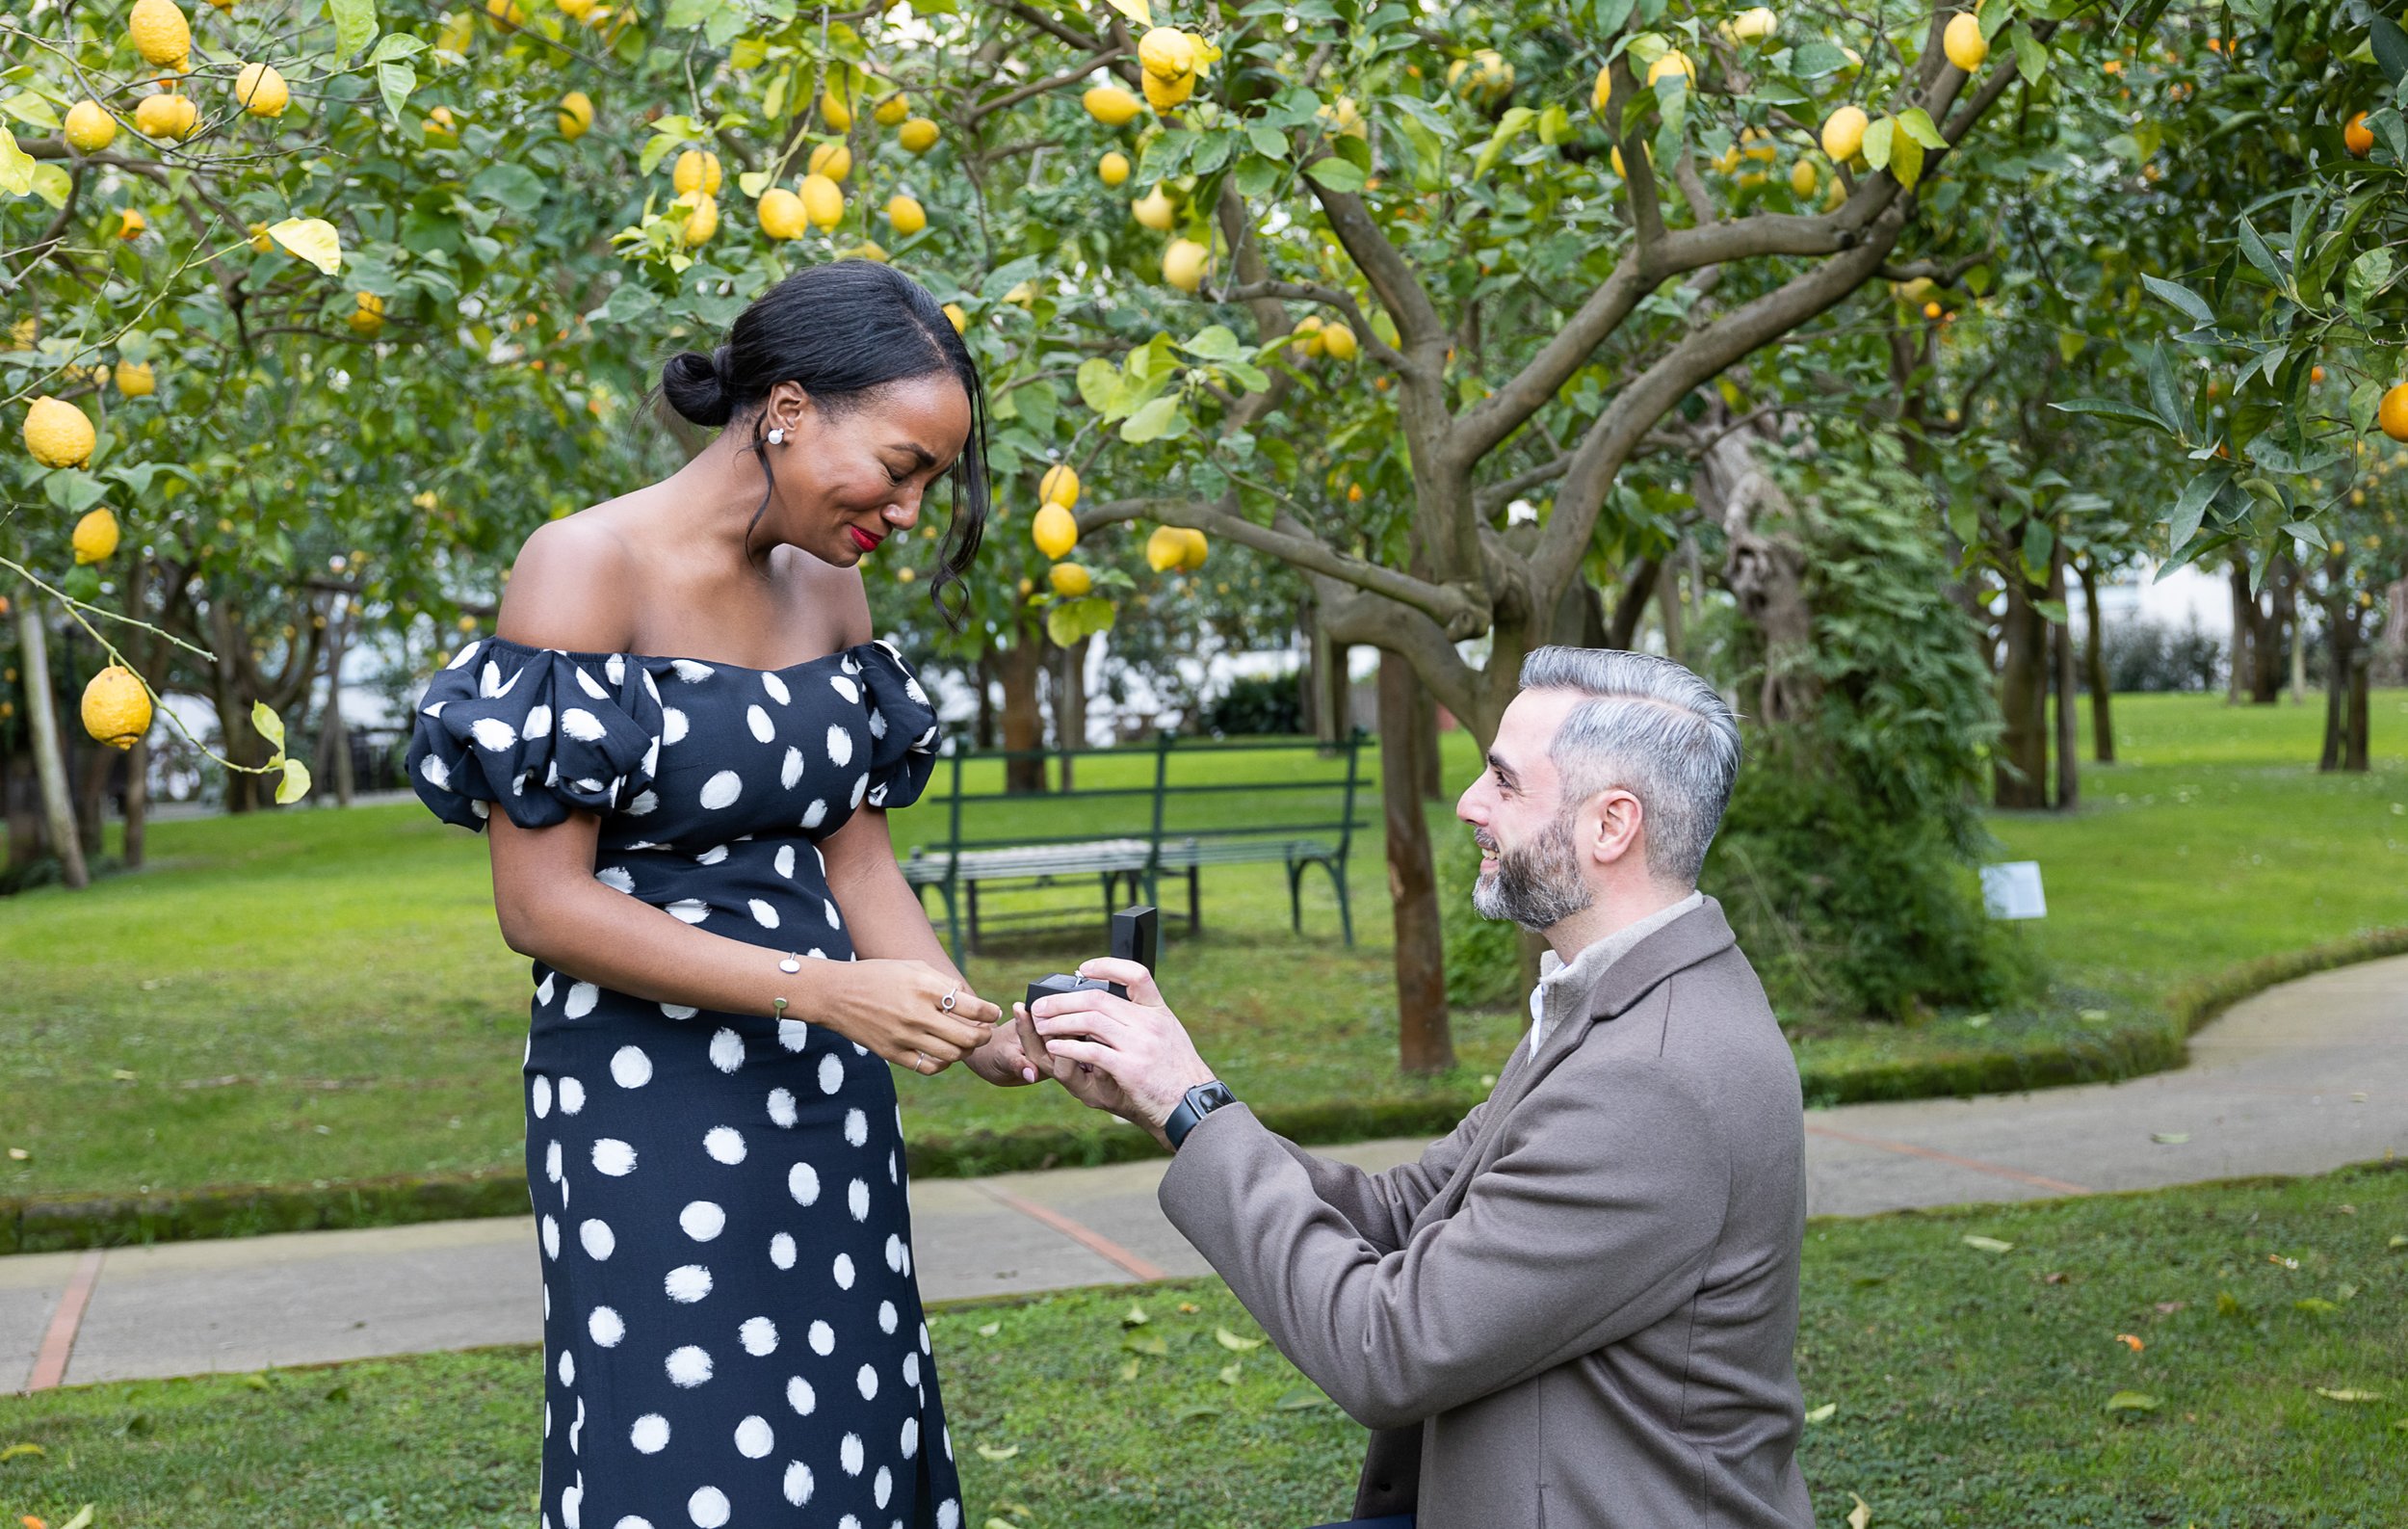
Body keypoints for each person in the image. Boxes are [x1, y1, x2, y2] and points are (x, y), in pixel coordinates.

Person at [406, 259, 1039, 1529]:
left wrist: (976, 1026)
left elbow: (855, 859)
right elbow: (544, 906)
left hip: (826, 1086)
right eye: (903, 464)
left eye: (930, 481)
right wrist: (823, 988)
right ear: (790, 406)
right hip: (649, 1098)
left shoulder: (829, 581)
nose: (910, 509)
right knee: (689, 1440)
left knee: (843, 1419)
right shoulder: (587, 565)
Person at [1020, 646, 1812, 1529]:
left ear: (1610, 824)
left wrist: (1194, 1105)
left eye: (1505, 783)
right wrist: (1166, 1101)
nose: (1470, 802)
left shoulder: (1651, 1082)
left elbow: (1386, 1346)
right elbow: (1406, 1209)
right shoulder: (1619, 998)